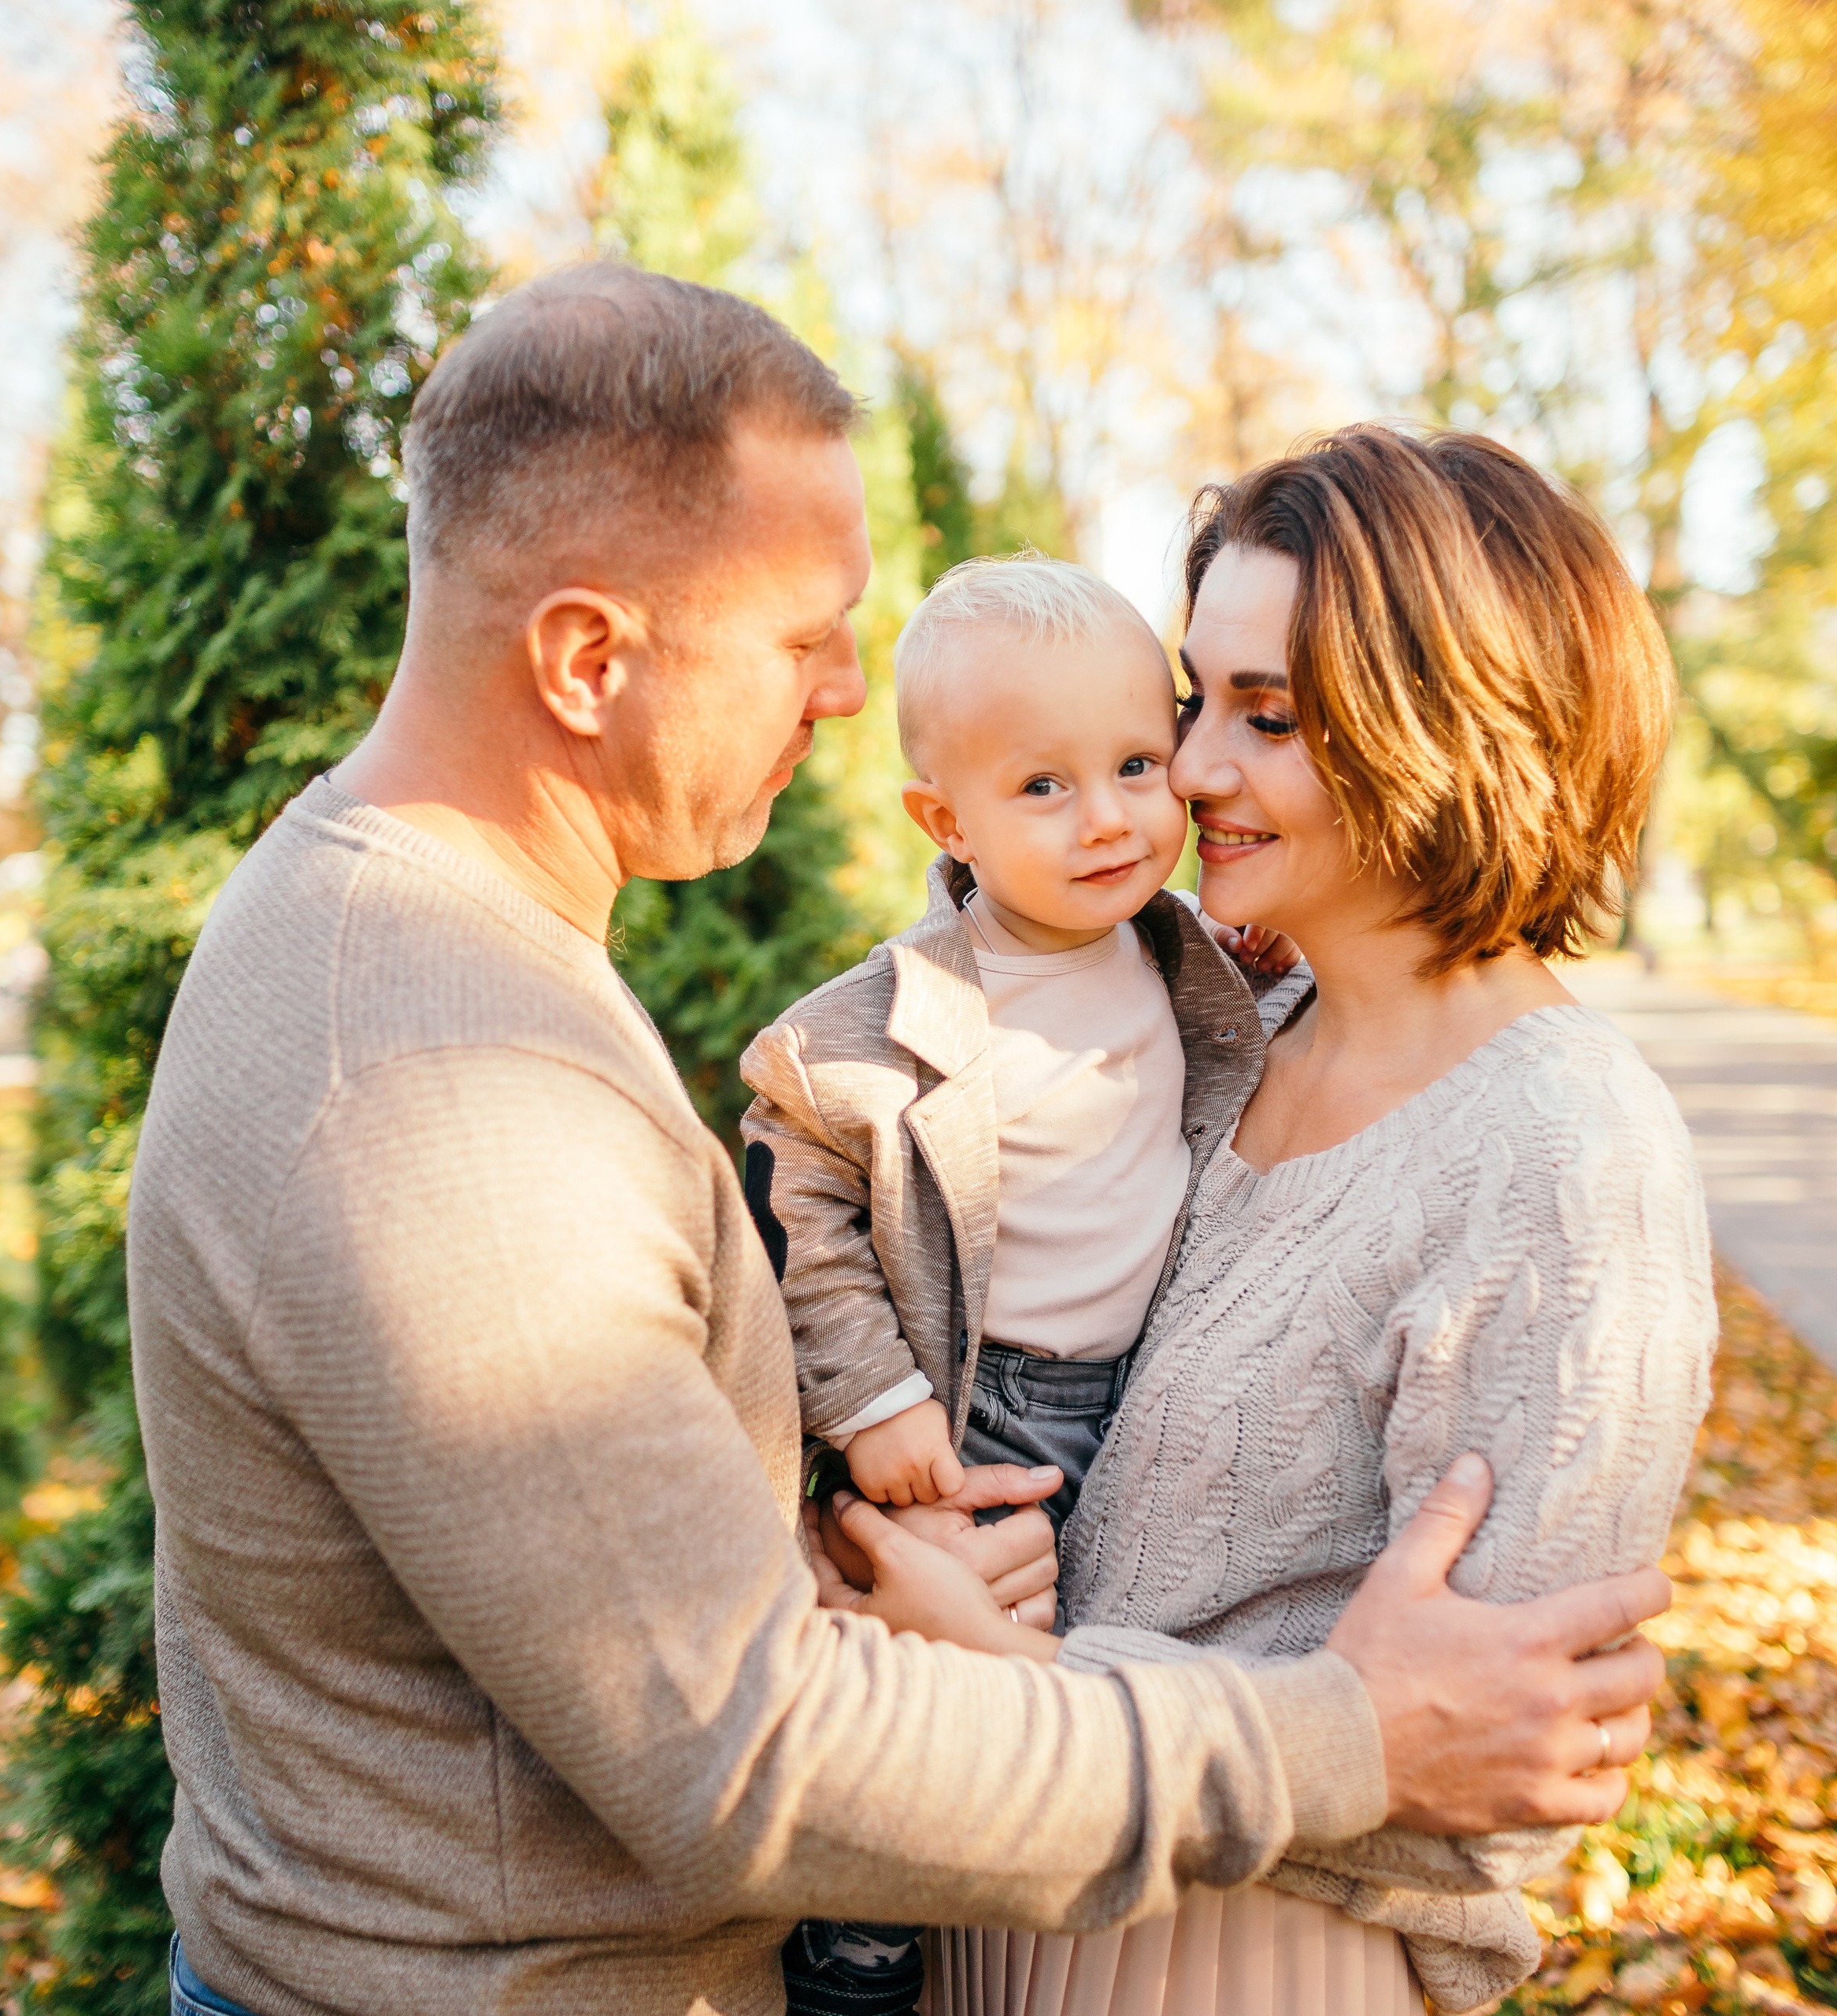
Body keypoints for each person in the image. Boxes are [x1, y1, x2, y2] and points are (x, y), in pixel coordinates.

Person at [129, 269, 1674, 2016]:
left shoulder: (1262, 1034)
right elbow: (738, 1746)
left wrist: (858, 1570)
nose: (851, 696)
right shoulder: (436, 1086)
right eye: (803, 636)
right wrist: (1326, 1728)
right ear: (585, 657)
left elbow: (579, 1540)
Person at [840, 426, 1713, 2016]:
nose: (1186, 772)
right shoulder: (1225, 1023)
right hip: (992, 1889)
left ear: (1454, 727)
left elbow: (1488, 1795)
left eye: (1270, 718)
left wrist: (1014, 1670)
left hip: (1226, 1961)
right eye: (1195, 701)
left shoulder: (1559, 1153)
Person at [742, 554, 1307, 2016]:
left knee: (1072, 1721)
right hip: (986, 1413)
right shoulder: (898, 1016)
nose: (1113, 816)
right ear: (949, 822)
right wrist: (869, 1388)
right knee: (942, 1724)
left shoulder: (1189, 957)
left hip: (1151, 1399)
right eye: (1044, 788)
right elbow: (798, 1184)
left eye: (1135, 762)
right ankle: (850, 1961)